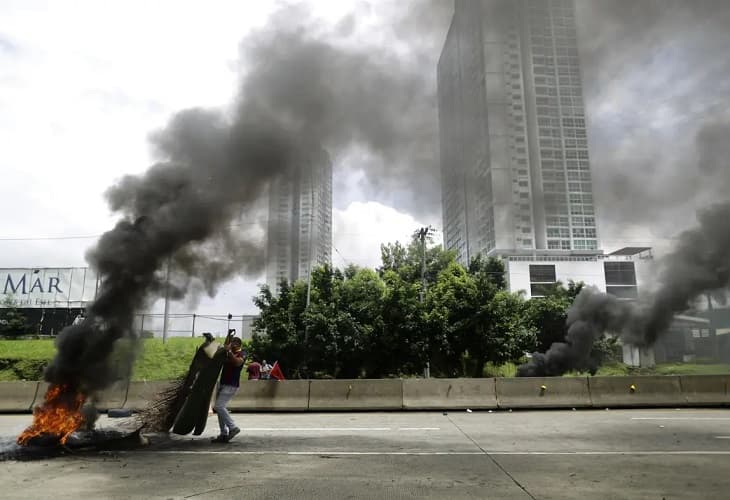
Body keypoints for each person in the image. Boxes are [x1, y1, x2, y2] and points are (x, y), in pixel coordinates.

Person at [211, 337, 245, 443]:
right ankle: (223, 433)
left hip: (231, 384)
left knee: (219, 406)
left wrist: (229, 351)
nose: (231, 345)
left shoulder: (242, 353)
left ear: (237, 344)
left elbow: (237, 363)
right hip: (223, 383)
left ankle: (233, 427)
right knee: (221, 408)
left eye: (233, 343)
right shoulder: (228, 353)